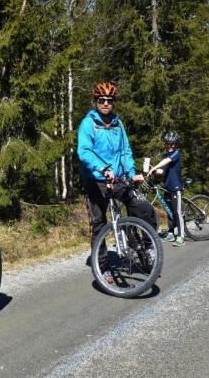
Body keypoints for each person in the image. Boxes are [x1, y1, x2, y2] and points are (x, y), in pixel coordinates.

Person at [77, 81, 158, 279]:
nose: (106, 103)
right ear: (95, 101)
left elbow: (125, 152)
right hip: (95, 181)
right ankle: (103, 267)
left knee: (142, 207)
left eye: (109, 101)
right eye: (102, 100)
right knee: (99, 224)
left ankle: (145, 245)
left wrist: (131, 173)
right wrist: (101, 168)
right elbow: (84, 151)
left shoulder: (117, 124)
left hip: (118, 179)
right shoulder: (89, 123)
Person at [147, 132, 185, 246]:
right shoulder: (165, 156)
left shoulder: (176, 154)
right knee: (169, 212)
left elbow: (166, 161)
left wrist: (155, 166)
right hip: (167, 188)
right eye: (168, 144)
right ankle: (171, 232)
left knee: (177, 212)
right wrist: (153, 170)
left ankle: (181, 236)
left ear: (176, 145)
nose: (170, 146)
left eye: (172, 144)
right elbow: (161, 171)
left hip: (176, 187)